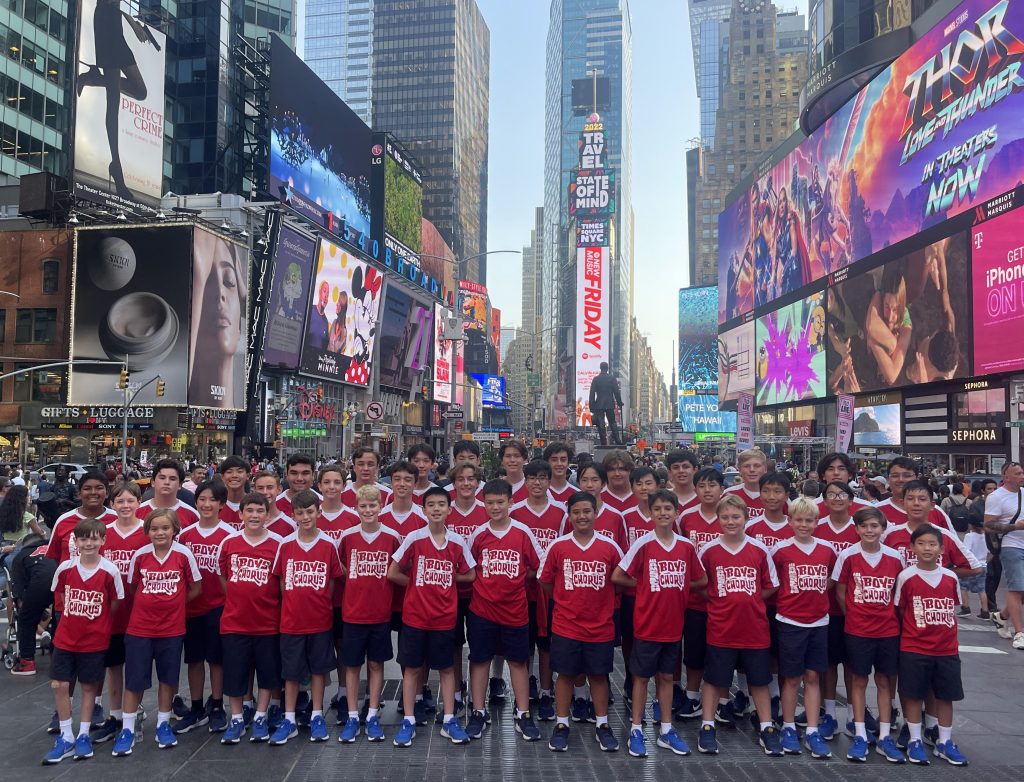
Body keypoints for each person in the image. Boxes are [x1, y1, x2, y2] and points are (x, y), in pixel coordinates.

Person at [614, 489, 706, 758]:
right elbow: (618, 575)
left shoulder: (686, 546)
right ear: (651, 513)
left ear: (676, 512)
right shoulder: (643, 544)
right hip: (647, 624)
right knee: (641, 678)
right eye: (658, 509)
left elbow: (701, 580)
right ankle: (636, 728)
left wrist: (677, 586)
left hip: (673, 625)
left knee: (667, 677)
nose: (663, 513)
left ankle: (666, 729)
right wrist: (644, 584)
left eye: (668, 508)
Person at [388, 486, 475, 747]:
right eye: (431, 505)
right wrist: (414, 582)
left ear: (449, 509)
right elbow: (393, 572)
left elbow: (470, 574)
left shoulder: (458, 541)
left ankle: (449, 718)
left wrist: (449, 579)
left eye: (441, 505)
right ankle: (409, 721)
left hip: (444, 618)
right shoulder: (414, 538)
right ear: (423, 509)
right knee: (412, 669)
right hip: (415, 617)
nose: (436, 509)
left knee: (447, 669)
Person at [695, 494, 781, 757]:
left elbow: (770, 585)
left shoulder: (759, 549)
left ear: (745, 518)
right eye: (725, 517)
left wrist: (750, 598)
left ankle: (767, 727)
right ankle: (707, 726)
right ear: (717, 519)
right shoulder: (708, 551)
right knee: (713, 680)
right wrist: (722, 600)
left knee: (759, 680)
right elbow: (700, 585)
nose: (730, 522)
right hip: (721, 629)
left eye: (736, 517)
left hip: (754, 628)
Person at [539, 491, 623, 753]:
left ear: (595, 513)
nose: (582, 516)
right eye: (576, 512)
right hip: (566, 625)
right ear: (569, 515)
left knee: (598, 676)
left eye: (587, 511)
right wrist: (565, 599)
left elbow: (618, 582)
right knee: (565, 675)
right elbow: (545, 580)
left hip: (600, 627)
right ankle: (562, 724)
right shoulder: (559, 546)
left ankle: (602, 724)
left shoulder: (610, 547)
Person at [114, 508, 202, 757]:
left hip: (172, 629)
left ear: (175, 530)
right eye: (154, 528)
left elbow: (196, 587)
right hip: (140, 628)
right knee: (134, 679)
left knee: (168, 678)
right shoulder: (140, 556)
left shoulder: (184, 554)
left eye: (165, 528)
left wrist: (176, 604)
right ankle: (128, 728)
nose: (160, 532)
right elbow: (133, 587)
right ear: (147, 531)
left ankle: (164, 723)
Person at [465, 479, 543, 742]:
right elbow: (469, 567)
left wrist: (519, 580)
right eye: (490, 503)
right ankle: (478, 711)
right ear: (483, 503)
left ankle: (523, 714)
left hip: (515, 612)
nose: (495, 507)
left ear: (511, 502)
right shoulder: (478, 534)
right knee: (479, 660)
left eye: (500, 502)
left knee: (518, 662)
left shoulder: (522, 533)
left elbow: (536, 566)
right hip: (482, 610)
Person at [44, 518, 124, 764]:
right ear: (75, 541)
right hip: (67, 637)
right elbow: (59, 596)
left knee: (89, 686)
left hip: (94, 640)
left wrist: (98, 624)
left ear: (103, 541)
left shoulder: (110, 571)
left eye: (94, 538)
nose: (89, 543)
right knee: (59, 684)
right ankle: (66, 735)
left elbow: (115, 602)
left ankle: (83, 735)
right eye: (83, 538)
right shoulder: (65, 568)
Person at [268, 489, 344, 745]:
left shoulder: (328, 544)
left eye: (310, 511)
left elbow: (332, 583)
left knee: (318, 671)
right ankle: (289, 717)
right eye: (300, 512)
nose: (305, 516)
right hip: (291, 620)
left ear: (319, 512)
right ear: (293, 515)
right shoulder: (286, 544)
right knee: (291, 672)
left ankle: (316, 714)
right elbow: (280, 581)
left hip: (320, 620)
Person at [831, 507, 905, 762]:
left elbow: (899, 593)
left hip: (887, 630)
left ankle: (885, 735)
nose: (870, 531)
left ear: (883, 529)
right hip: (858, 630)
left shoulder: (895, 557)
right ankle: (860, 732)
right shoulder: (848, 555)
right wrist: (852, 615)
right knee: (858, 681)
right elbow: (841, 591)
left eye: (874, 526)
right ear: (857, 529)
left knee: (885, 682)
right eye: (864, 526)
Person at [894, 524, 969, 765]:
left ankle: (944, 741)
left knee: (945, 696)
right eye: (922, 543)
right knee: (913, 694)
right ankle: (915, 739)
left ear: (942, 549)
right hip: (914, 647)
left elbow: (952, 608)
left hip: (946, 648)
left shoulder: (950, 577)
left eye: (932, 544)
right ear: (912, 547)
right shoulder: (906, 577)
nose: (927, 548)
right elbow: (901, 609)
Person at [216, 492, 284, 744]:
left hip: (267, 623)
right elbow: (223, 577)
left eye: (260, 511)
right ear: (240, 514)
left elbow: (281, 582)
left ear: (267, 514)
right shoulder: (229, 542)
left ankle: (261, 715)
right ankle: (236, 717)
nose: (255, 515)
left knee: (267, 674)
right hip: (235, 622)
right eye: (250, 511)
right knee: (235, 674)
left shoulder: (278, 543)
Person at [770, 497, 835, 759]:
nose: (804, 525)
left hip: (819, 622)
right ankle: (787, 726)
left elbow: (832, 578)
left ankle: (811, 729)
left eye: (809, 521)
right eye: (798, 520)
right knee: (791, 677)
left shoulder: (827, 549)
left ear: (817, 522)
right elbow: (773, 580)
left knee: (812, 677)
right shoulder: (780, 549)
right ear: (790, 521)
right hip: (790, 621)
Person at [336, 486, 401, 744]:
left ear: (381, 507)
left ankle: (372, 713)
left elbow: (398, 567)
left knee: (376, 664)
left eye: (372, 506)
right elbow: (339, 565)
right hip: (353, 613)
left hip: (380, 614)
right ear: (356, 507)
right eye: (363, 506)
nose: (368, 510)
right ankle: (353, 715)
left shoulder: (392, 537)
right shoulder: (347, 536)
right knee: (351, 665)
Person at [75, 0, 159, 198]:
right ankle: (117, 169)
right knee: (113, 101)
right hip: (106, 19)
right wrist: (131, 21)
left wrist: (132, 22)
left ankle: (94, 78)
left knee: (140, 91)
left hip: (114, 21)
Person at [174, 481, 235, 735]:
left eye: (212, 500)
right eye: (202, 499)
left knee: (217, 660)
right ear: (195, 502)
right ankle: (197, 707)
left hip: (219, 606)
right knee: (194, 660)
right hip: (192, 607)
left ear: (221, 504)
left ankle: (218, 705)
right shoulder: (185, 535)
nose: (206, 504)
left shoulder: (230, 535)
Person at [91, 481, 148, 744]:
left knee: (138, 667)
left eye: (130, 501)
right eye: (120, 501)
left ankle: (133, 711)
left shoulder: (148, 532)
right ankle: (115, 715)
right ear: (112, 504)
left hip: (140, 612)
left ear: (139, 503)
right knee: (114, 667)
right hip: (112, 611)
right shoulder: (103, 534)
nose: (125, 506)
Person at [814, 480, 861, 739]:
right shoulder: (817, 528)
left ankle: (856, 716)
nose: (837, 498)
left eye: (842, 494)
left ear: (851, 499)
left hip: (857, 611)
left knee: (854, 666)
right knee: (828, 665)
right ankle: (829, 713)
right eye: (831, 494)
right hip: (826, 610)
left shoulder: (861, 528)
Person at [444, 462, 489, 709]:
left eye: (471, 479)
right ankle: (457, 689)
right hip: (448, 591)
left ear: (477, 482)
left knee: (478, 645)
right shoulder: (444, 510)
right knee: (453, 643)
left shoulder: (486, 510)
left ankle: (477, 694)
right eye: (460, 479)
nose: (466, 483)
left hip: (478, 592)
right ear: (454, 483)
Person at [983, 461, 1024, 650]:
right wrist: (1015, 526)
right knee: (1016, 589)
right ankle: (1019, 633)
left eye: (1022, 472)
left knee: (1021, 591)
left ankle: (1002, 616)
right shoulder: (996, 497)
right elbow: (988, 525)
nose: (1021, 475)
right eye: (1017, 473)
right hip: (1011, 545)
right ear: (1006, 477)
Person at [138, 461, 200, 530]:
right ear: (153, 482)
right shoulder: (137, 512)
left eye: (172, 479)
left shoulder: (193, 515)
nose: (167, 482)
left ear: (180, 485)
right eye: (162, 478)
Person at [725, 448, 769, 520]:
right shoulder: (728, 494)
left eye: (757, 466)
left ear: (765, 469)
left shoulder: (777, 497)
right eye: (746, 466)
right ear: (739, 469)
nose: (752, 470)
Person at [588, 362, 624, 446]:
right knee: (612, 422)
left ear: (600, 368)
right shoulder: (611, 378)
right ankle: (618, 440)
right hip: (609, 404)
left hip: (599, 405)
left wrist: (591, 406)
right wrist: (619, 402)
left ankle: (603, 443)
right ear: (607, 368)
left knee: (601, 424)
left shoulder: (596, 379)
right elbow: (616, 392)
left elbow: (592, 393)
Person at [217, 456, 251, 530]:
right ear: (222, 477)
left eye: (240, 472)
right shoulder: (215, 505)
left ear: (248, 475)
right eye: (229, 472)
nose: (234, 475)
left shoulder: (256, 504)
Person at [666, 449, 701, 517]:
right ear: (669, 472)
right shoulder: (662, 498)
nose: (681, 471)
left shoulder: (705, 497)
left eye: (686, 467)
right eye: (676, 467)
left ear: (695, 470)